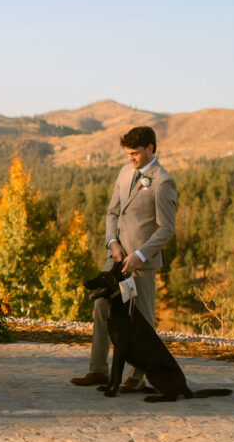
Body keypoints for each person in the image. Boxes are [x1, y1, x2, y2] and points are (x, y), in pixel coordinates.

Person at [70, 125, 178, 392]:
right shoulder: (124, 171)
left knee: (141, 318)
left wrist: (139, 256)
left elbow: (167, 228)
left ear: (150, 149)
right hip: (116, 258)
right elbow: (112, 213)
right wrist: (112, 242)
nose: (130, 158)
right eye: (128, 153)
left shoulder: (163, 181)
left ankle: (137, 376)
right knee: (101, 308)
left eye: (135, 153)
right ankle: (98, 370)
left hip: (141, 263)